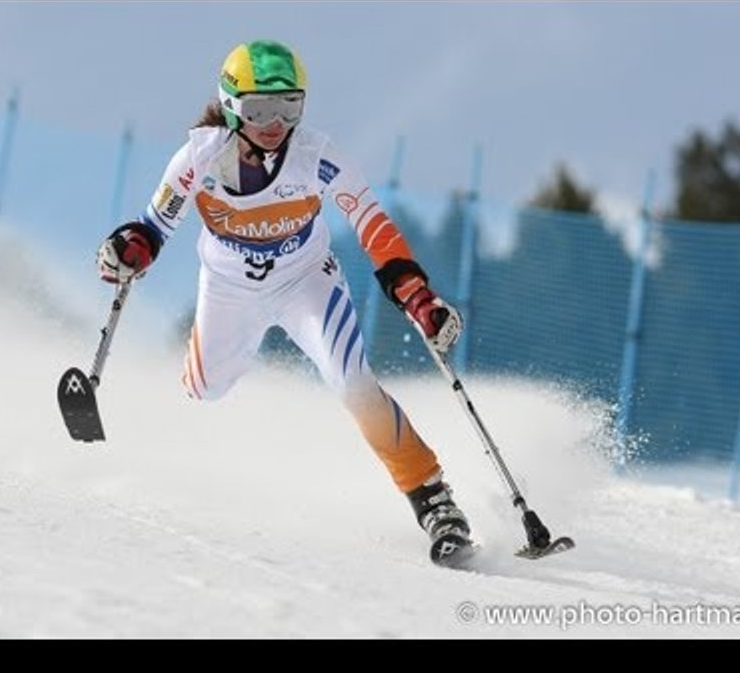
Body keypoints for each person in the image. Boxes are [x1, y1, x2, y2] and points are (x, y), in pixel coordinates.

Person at [96, 40, 474, 567]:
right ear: (231, 107)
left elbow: (371, 223)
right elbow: (153, 227)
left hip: (306, 283)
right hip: (229, 287)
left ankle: (434, 501)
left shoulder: (317, 158)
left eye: (289, 106)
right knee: (205, 390)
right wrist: (126, 250)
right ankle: (237, 349)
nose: (275, 123)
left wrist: (415, 293)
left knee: (353, 383)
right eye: (259, 109)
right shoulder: (199, 159)